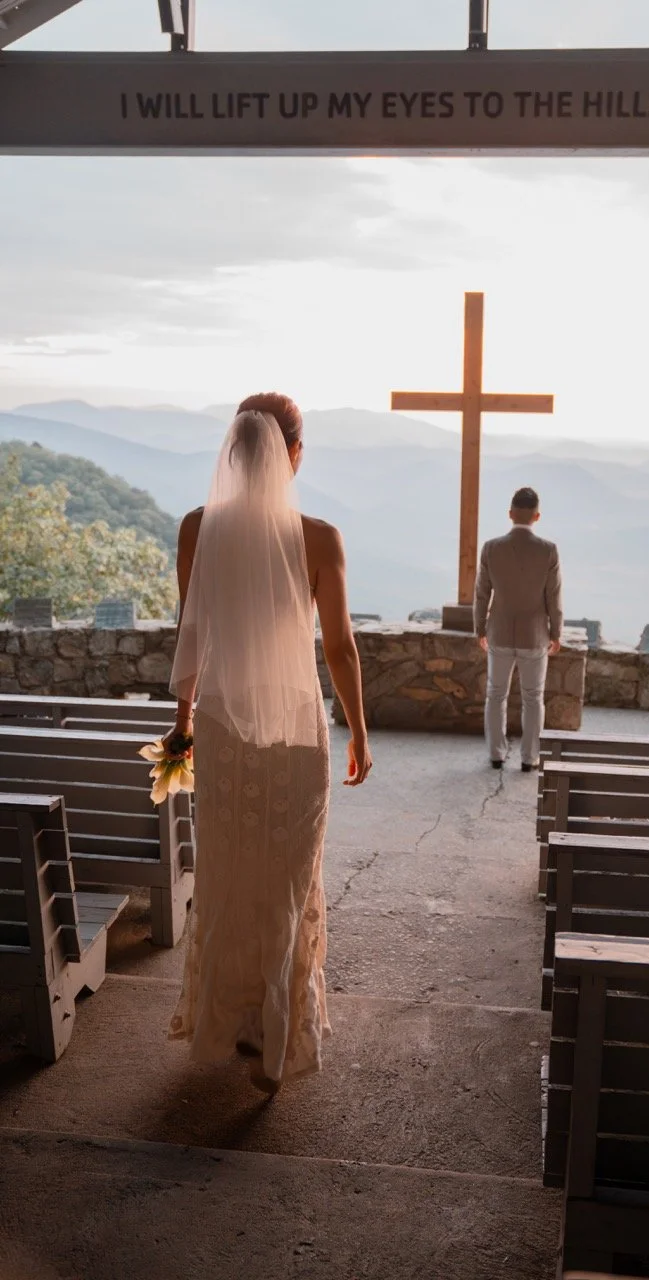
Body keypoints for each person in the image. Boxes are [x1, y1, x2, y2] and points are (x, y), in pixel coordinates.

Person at [163, 392, 372, 1095]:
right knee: (285, 881)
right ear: (294, 455)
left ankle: (228, 1025)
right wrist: (360, 733)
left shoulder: (197, 527)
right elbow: (339, 649)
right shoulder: (320, 537)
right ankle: (274, 1039)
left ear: (233, 452)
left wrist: (184, 719)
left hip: (223, 725)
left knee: (227, 877)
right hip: (294, 730)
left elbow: (190, 633)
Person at [474, 486, 562, 773]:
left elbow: (481, 595)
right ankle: (530, 758)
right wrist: (556, 632)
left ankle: (496, 754)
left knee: (495, 695)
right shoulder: (548, 550)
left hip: (499, 632)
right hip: (534, 635)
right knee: (533, 698)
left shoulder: (491, 548)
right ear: (536, 516)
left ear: (510, 514)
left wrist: (480, 629)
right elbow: (553, 596)